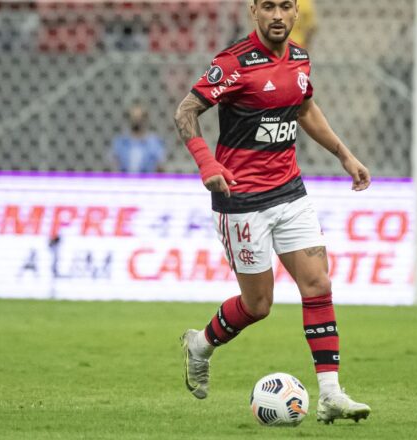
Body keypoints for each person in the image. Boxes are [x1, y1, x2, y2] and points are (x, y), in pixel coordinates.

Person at [173, 0, 371, 423]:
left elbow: (304, 110)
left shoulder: (300, 58)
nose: (277, 15)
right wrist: (207, 163)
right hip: (242, 201)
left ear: (297, 13)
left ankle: (332, 394)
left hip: (290, 192)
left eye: (285, 6)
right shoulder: (234, 63)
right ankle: (200, 345)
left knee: (318, 282)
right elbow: (186, 110)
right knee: (259, 305)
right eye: (268, 7)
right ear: (253, 12)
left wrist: (344, 155)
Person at [112, 104, 165, 173]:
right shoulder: (121, 141)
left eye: (140, 117)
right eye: (134, 117)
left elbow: (160, 165)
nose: (137, 121)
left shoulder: (153, 142)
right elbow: (114, 163)